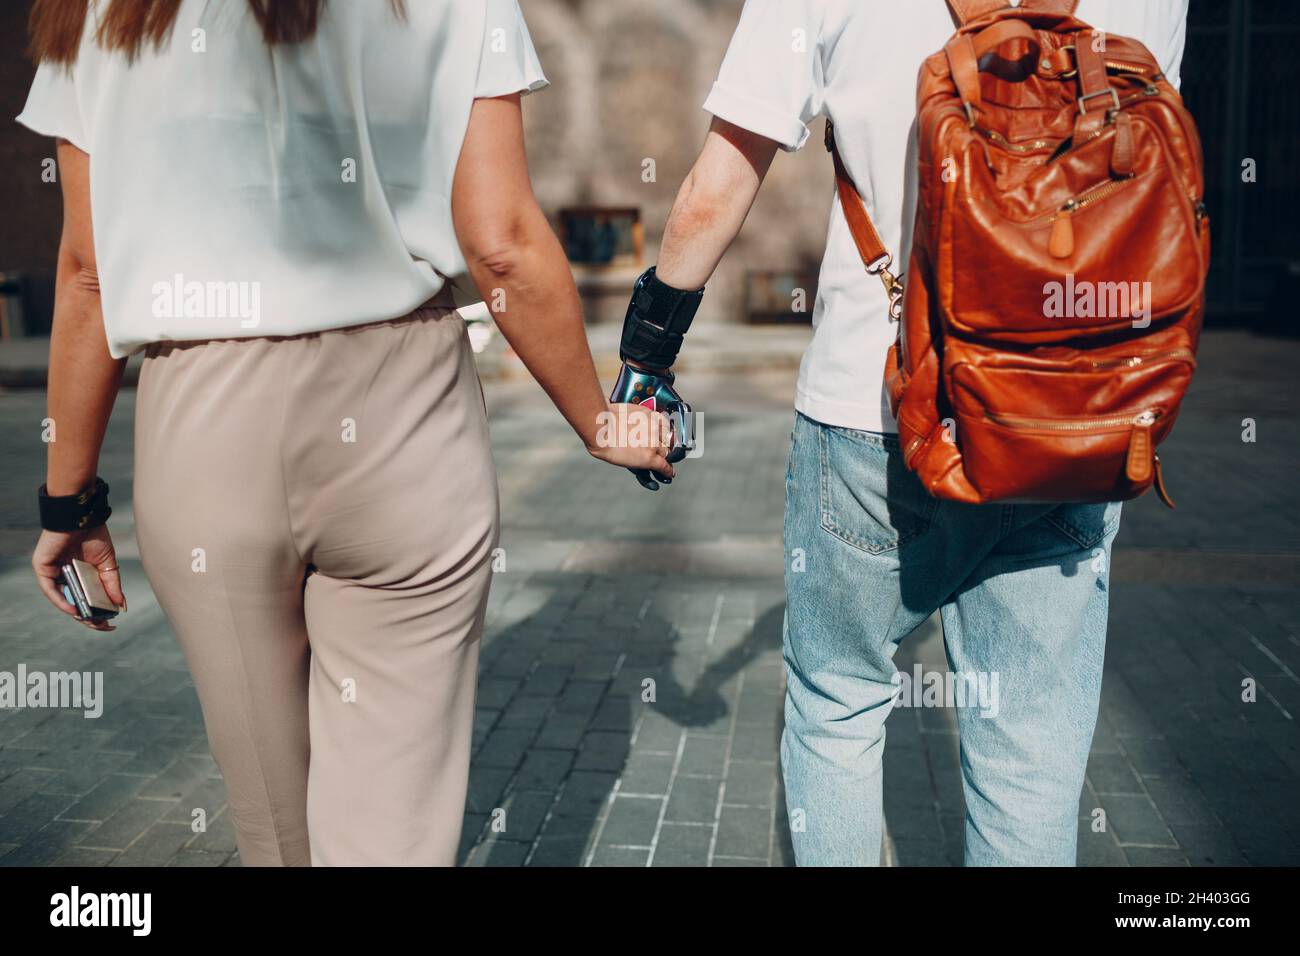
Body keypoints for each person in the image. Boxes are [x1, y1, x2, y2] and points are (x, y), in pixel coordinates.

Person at [21, 0, 671, 866]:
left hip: (205, 423)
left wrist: (69, 496)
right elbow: (503, 242)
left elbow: (87, 274)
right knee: (391, 841)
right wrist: (598, 420)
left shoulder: (93, 10)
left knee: (275, 832)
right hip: (403, 411)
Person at [626, 0, 1189, 865]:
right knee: (1028, 752)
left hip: (873, 411)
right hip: (1068, 423)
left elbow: (721, 180)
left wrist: (646, 363)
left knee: (838, 706)